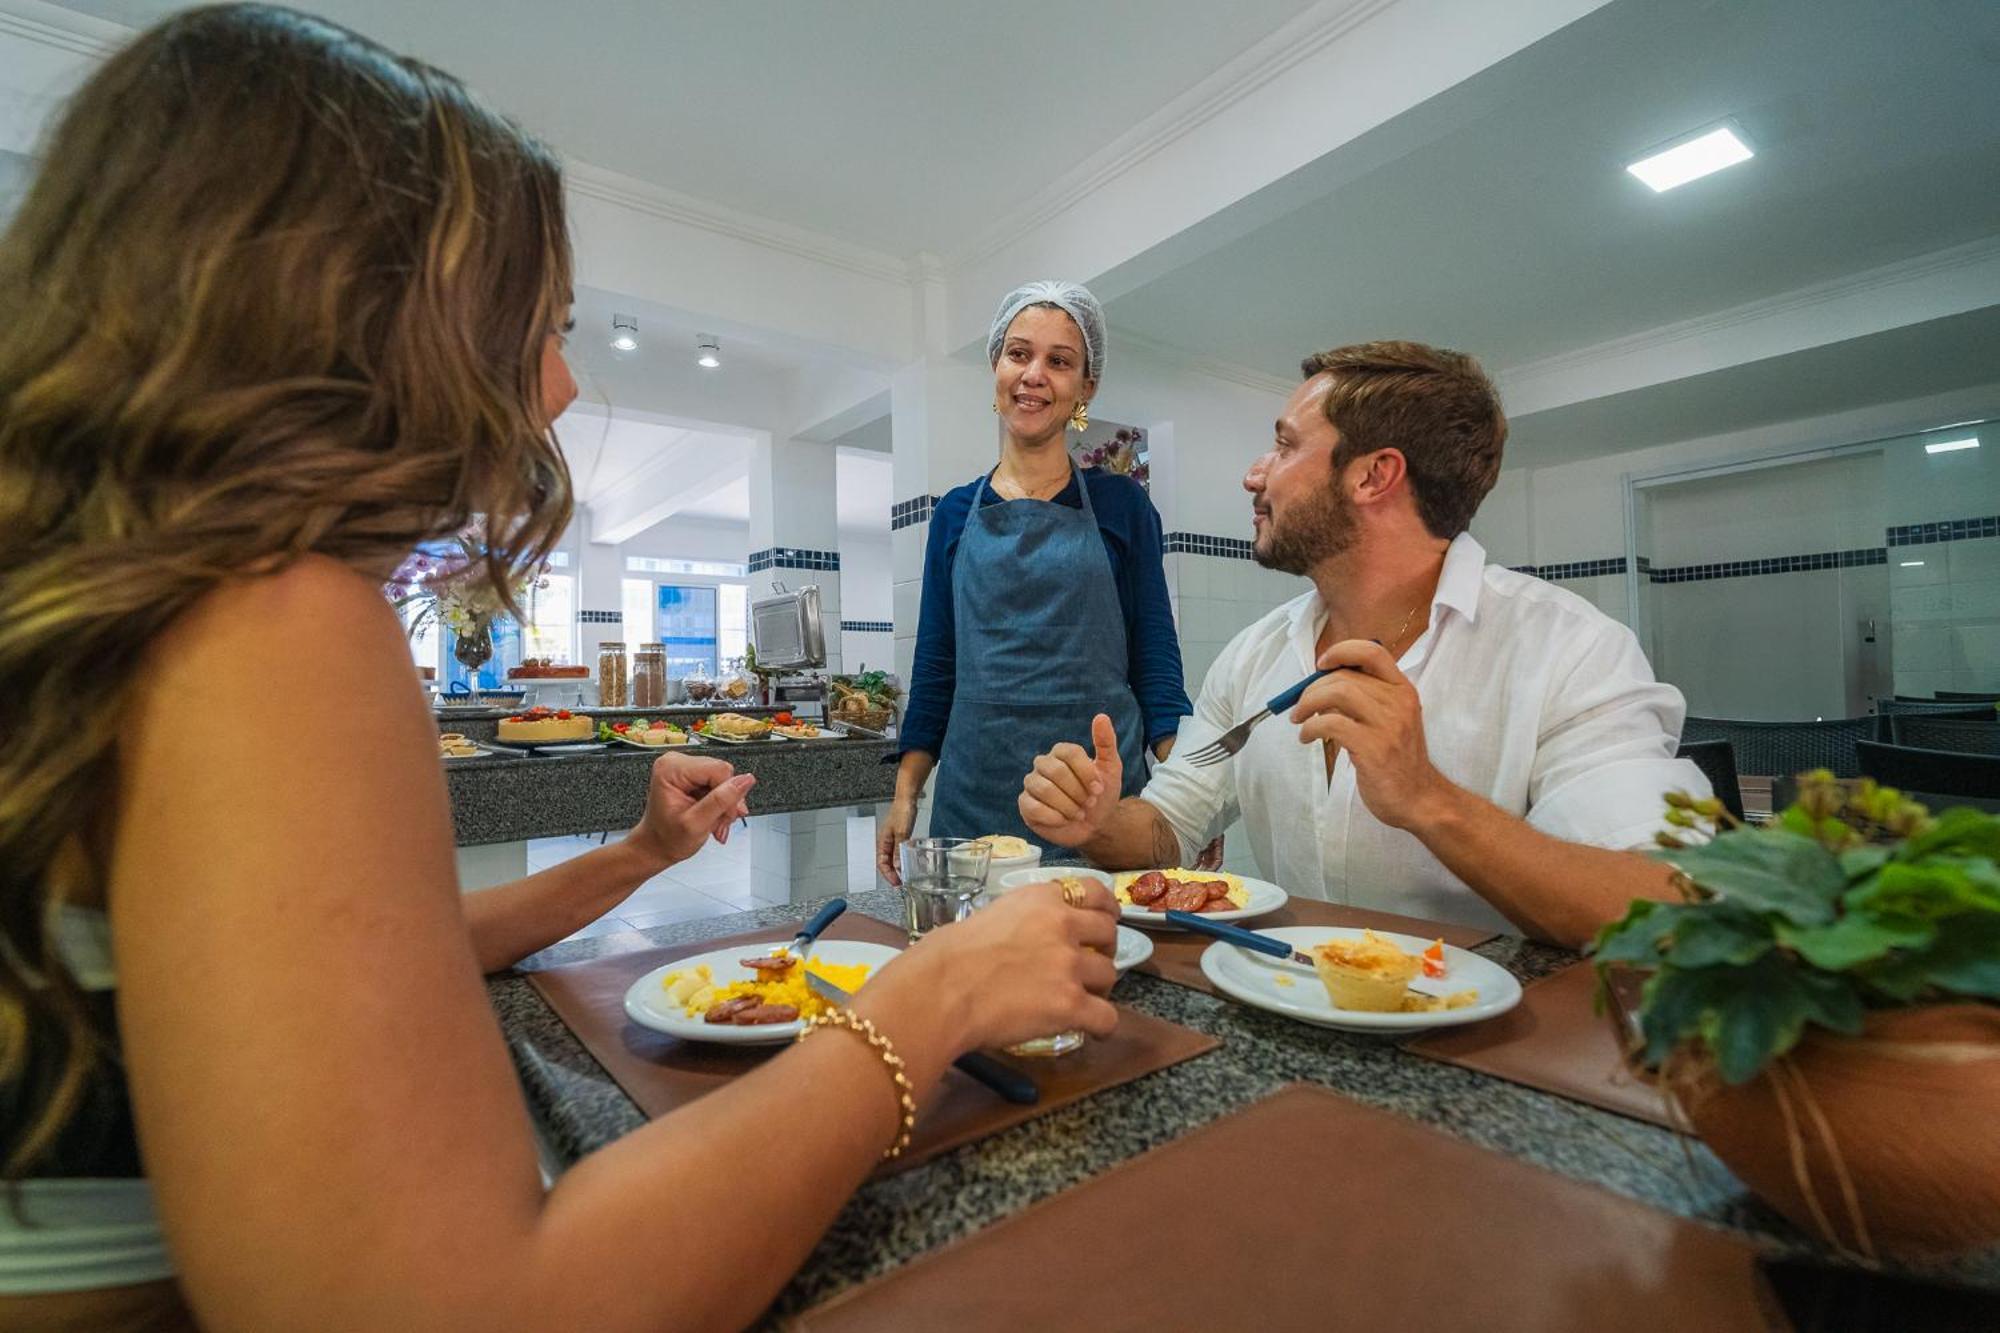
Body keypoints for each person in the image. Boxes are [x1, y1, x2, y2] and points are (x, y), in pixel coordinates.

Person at [0, 8, 1120, 1328]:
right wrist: (927, 1007)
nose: (562, 385)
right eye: (536, 320)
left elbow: (347, 967)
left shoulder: (126, 602)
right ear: (364, 312)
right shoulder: (276, 617)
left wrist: (639, 856)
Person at [1018, 341, 1710, 949]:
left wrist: (1427, 798)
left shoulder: (1569, 650)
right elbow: (1169, 826)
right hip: (1287, 1012)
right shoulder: (1255, 655)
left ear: (1374, 475)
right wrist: (1099, 821)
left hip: (1499, 1064)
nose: (1254, 474)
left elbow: (1669, 904)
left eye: (1286, 446)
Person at [879, 281, 1190, 883]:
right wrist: (906, 793)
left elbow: (1155, 658)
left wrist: (1183, 799)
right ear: (995, 366)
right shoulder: (953, 513)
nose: (1034, 375)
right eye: (1019, 354)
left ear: (1085, 387)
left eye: (1059, 361)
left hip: (1101, 801)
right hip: (974, 798)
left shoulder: (1122, 504)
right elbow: (937, 664)